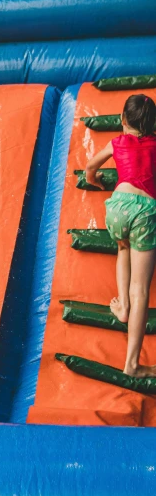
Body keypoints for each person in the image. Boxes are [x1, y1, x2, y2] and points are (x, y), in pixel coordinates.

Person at [85, 93, 156, 378]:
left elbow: (90, 167)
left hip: (115, 206)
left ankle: (122, 307)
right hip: (144, 210)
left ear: (121, 121)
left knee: (123, 249)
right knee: (142, 290)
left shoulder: (116, 143)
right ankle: (133, 365)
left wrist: (96, 182)